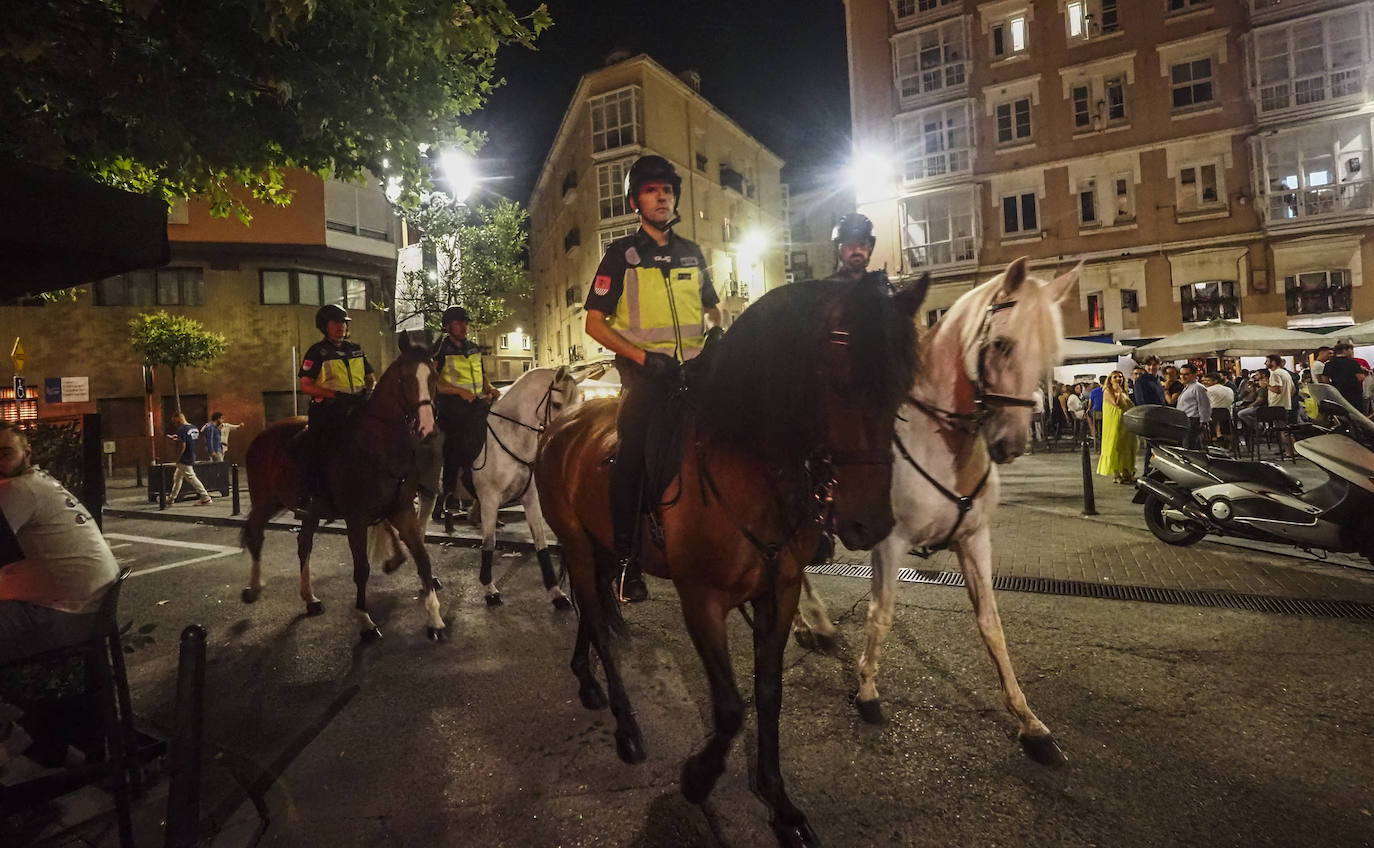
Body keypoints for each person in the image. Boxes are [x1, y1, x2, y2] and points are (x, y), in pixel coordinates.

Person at [583, 154, 721, 603]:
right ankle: (626, 560)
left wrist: (717, 331)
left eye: (666, 190)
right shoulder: (620, 255)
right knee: (632, 458)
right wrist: (643, 358)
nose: (661, 197)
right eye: (651, 190)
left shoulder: (692, 253)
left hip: (698, 378)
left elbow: (711, 306)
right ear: (635, 201)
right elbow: (594, 324)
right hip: (648, 381)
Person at [0, 422, 120, 663]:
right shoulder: (39, 481)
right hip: (93, 610)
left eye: (5, 454)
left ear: (27, 453)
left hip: (67, 617)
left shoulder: (16, 490)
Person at [298, 304, 375, 513]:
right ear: (325, 326)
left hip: (357, 407)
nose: (341, 326)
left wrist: (369, 390)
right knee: (317, 447)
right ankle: (314, 495)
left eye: (344, 322)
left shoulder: (356, 349)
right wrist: (334, 395)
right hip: (328, 411)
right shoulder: (317, 352)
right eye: (336, 323)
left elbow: (369, 377)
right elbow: (305, 385)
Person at [432, 305, 500, 518]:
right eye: (459, 323)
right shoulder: (440, 350)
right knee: (456, 448)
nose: (464, 326)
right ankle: (448, 496)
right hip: (452, 408)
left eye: (466, 322)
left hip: (475, 404)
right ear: (448, 326)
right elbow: (432, 382)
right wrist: (459, 392)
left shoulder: (473, 348)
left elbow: (481, 375)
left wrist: (489, 388)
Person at [1096, 371, 1136, 483]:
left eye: (1120, 377)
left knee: (1126, 446)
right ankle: (1117, 474)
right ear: (1110, 379)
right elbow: (1117, 404)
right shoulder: (1108, 391)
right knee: (1115, 445)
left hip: (1125, 422)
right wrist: (1118, 391)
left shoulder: (1124, 391)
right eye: (1115, 377)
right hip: (1115, 422)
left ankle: (1127, 472)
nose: (1118, 379)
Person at [165, 413, 213, 505]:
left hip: (184, 456)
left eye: (175, 422)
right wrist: (177, 438)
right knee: (177, 477)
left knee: (191, 477)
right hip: (192, 454)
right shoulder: (194, 428)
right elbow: (189, 439)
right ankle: (171, 499)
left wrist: (178, 457)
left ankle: (206, 497)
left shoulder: (181, 429)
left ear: (178, 419)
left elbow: (183, 445)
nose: (174, 424)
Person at [827, 213, 886, 285]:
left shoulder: (880, 286)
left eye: (862, 244)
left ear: (870, 248)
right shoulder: (828, 289)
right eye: (850, 244)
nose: (857, 250)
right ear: (839, 249)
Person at [1133, 356, 1166, 469]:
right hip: (1150, 418)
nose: (1152, 367)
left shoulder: (1158, 379)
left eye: (1154, 364)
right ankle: (1148, 473)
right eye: (1149, 365)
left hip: (1161, 417)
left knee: (1157, 446)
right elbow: (1141, 401)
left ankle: (1156, 472)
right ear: (1145, 366)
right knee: (1152, 447)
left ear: (1159, 365)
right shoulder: (1141, 381)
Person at [1176, 364, 1212, 450]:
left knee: (1189, 447)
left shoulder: (1198, 388)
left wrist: (1203, 422)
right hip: (1185, 420)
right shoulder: (1188, 387)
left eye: (1186, 374)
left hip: (1192, 420)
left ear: (1194, 374)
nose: (1183, 377)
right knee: (1193, 446)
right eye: (1181, 374)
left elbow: (1204, 405)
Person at [1323, 342, 1363, 409]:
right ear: (1344, 350)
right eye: (1350, 350)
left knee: (1341, 413)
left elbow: (1324, 380)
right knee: (1355, 414)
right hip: (1353, 393)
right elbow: (1360, 378)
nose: (1352, 352)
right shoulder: (1352, 362)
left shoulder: (1329, 364)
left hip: (1337, 393)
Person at [1202, 372, 1235, 443]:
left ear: (1215, 381)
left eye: (1208, 381)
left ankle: (1212, 438)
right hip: (1228, 416)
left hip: (1213, 417)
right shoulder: (1229, 389)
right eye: (1204, 381)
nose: (1205, 382)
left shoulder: (1208, 390)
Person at [1088, 376, 1105, 444]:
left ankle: (1094, 432)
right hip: (1106, 413)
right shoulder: (1109, 390)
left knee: (1088, 415)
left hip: (1096, 414)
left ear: (1099, 382)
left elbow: (1090, 405)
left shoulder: (1094, 391)